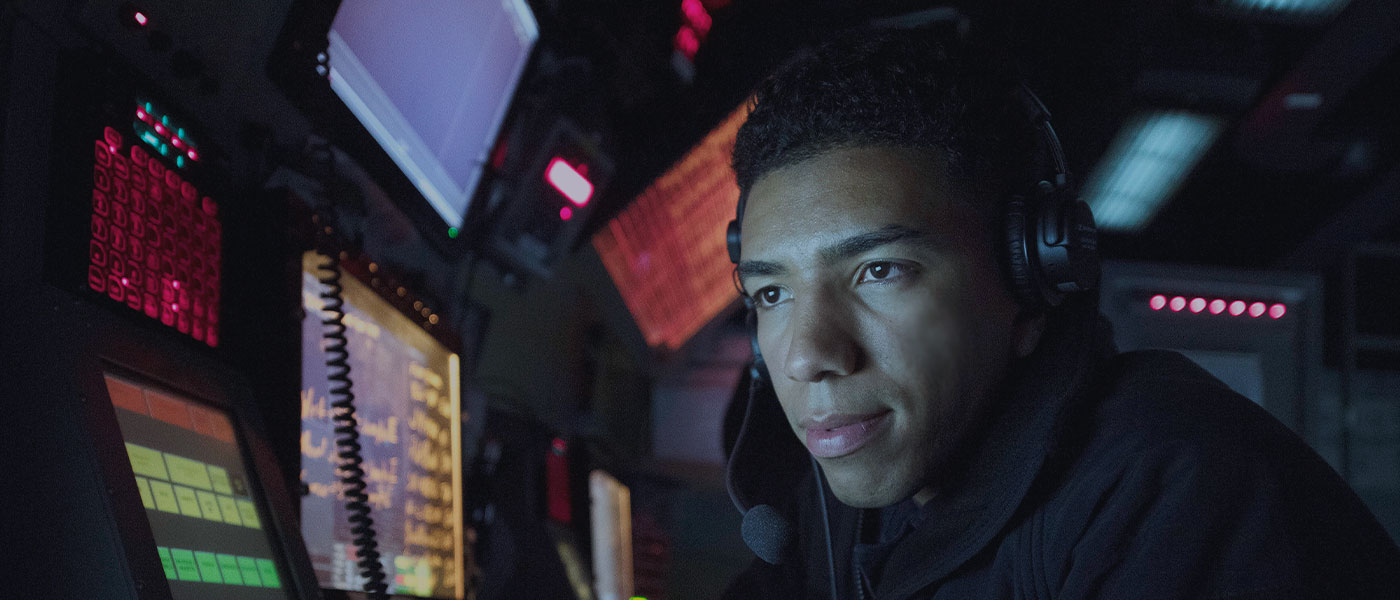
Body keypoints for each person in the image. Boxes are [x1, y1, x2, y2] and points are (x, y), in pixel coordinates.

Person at [720, 27, 1400, 599]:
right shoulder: (853, 503)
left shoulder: (1170, 492)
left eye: (879, 271)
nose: (808, 354)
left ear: (1031, 281)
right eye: (772, 293)